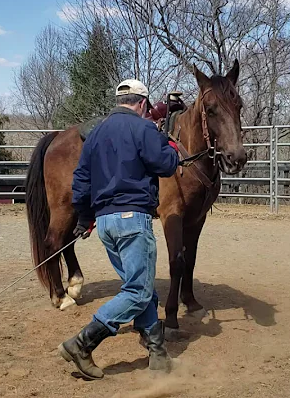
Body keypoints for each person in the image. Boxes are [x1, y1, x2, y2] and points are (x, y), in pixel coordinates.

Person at [59, 79, 180, 380]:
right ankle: (82, 343)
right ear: (141, 104)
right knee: (138, 292)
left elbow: (81, 182)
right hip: (133, 220)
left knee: (138, 287)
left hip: (106, 223)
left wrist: (85, 217)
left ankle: (158, 354)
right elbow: (166, 165)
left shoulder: (96, 133)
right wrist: (168, 144)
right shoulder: (144, 129)